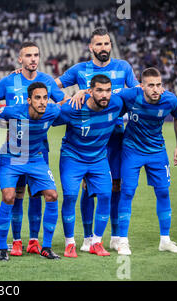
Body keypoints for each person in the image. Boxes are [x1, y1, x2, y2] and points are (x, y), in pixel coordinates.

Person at [55, 27, 139, 252]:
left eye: (107, 43)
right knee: (85, 188)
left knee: (116, 187)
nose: (104, 48)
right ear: (91, 47)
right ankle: (87, 237)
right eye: (99, 44)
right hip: (85, 136)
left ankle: (117, 237)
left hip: (116, 137)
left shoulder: (124, 67)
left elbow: (137, 90)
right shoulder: (79, 70)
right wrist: (71, 96)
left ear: (111, 45)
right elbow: (53, 86)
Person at [0, 41, 67, 256]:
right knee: (14, 195)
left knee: (38, 194)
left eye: (36, 55)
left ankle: (36, 242)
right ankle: (15, 242)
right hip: (13, 151)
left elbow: (64, 104)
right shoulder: (9, 81)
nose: (33, 59)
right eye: (28, 55)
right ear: (20, 59)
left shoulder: (47, 82)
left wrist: (81, 95)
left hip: (39, 149)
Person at [115, 67, 177, 255]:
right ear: (141, 86)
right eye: (151, 85)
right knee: (127, 192)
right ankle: (122, 241)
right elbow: (107, 95)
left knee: (163, 192)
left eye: (159, 85)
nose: (156, 89)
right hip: (132, 151)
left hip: (157, 152)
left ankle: (165, 241)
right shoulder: (130, 95)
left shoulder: (170, 99)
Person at [55, 74, 125, 258]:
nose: (105, 95)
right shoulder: (74, 107)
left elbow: (138, 92)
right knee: (70, 195)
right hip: (72, 157)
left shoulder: (116, 103)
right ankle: (70, 243)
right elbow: (49, 118)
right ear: (90, 91)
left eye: (108, 90)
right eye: (100, 90)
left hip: (98, 159)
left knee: (105, 195)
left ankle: (96, 242)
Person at [0, 82, 62, 261]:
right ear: (29, 100)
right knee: (9, 197)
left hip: (35, 159)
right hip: (11, 158)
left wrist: (82, 93)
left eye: (45, 98)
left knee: (52, 195)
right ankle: (2, 248)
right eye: (38, 98)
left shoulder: (52, 111)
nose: (43, 102)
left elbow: (67, 106)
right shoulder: (14, 111)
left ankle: (46, 246)